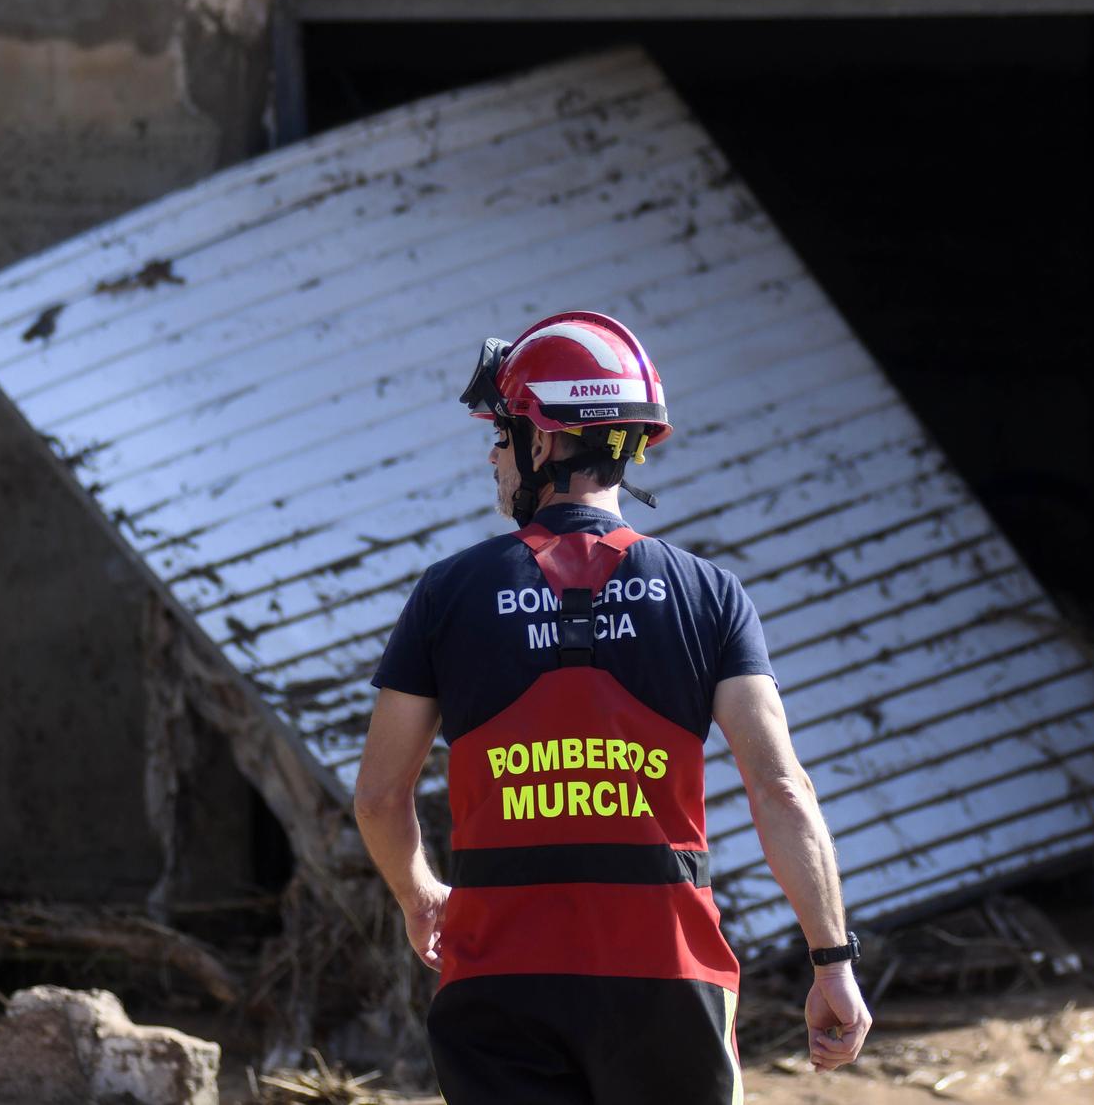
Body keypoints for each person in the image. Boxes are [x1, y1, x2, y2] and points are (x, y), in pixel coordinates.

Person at [353, 311, 872, 1104]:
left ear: (547, 440)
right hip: (667, 977)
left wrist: (422, 898)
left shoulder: (447, 594)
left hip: (499, 981)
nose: (493, 455)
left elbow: (381, 797)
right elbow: (782, 789)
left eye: (502, 431)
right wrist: (831, 962)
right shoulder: (710, 594)